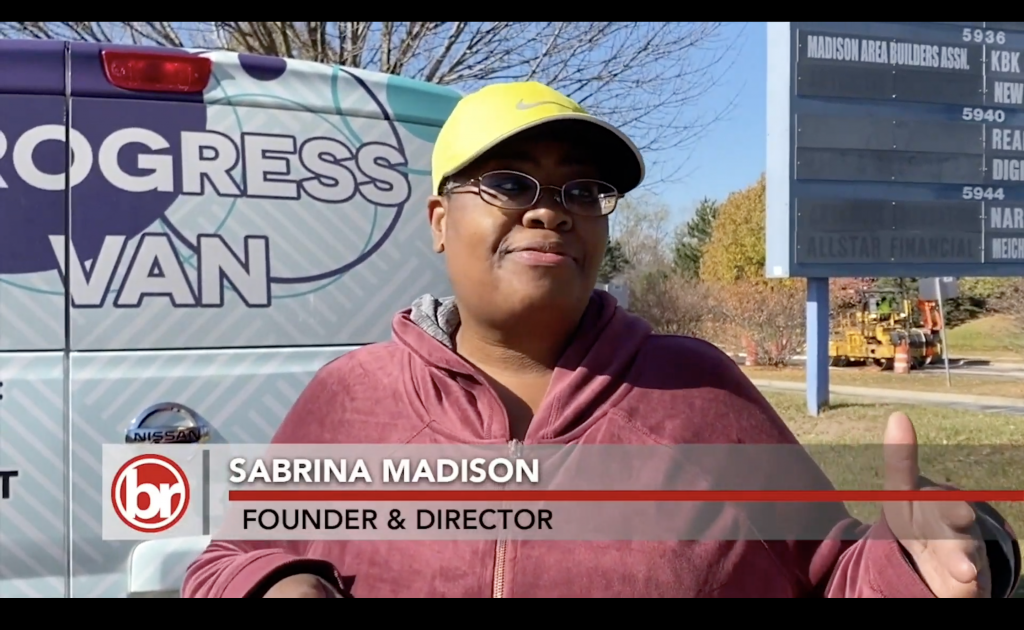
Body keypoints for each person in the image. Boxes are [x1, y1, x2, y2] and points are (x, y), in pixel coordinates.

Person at [182, 81, 1020, 598]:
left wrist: (919, 564)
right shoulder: (348, 398)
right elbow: (228, 559)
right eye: (510, 182)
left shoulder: (697, 392)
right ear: (441, 220)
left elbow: (833, 572)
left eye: (582, 190)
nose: (549, 208)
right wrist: (281, 581)